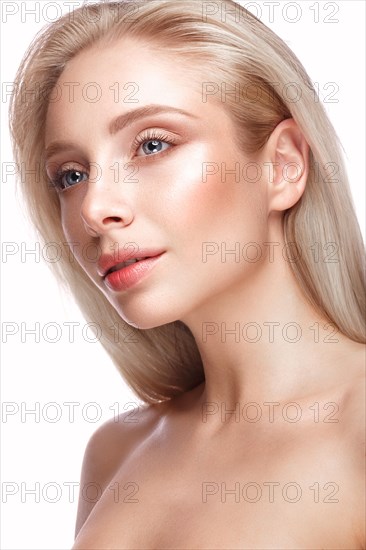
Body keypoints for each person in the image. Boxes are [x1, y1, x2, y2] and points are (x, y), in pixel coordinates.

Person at [9, 0, 365, 547]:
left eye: (152, 145)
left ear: (283, 165)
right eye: (71, 174)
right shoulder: (117, 451)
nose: (94, 206)